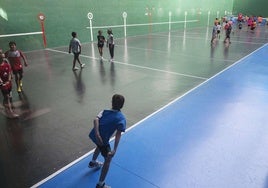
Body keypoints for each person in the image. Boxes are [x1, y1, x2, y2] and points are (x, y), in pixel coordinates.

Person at [88, 94, 126, 188]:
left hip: (94, 136)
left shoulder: (104, 111)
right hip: (103, 141)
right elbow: (118, 135)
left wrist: (97, 134)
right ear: (122, 105)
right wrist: (114, 150)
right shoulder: (121, 118)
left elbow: (96, 119)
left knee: (99, 146)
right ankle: (101, 184)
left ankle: (93, 162)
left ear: (112, 102)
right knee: (108, 159)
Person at [0, 49, 18, 118]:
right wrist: (2, 83)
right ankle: (10, 113)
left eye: (2, 53)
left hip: (8, 82)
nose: (3, 54)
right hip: (3, 84)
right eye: (0, 53)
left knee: (7, 97)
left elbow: (10, 71)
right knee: (7, 97)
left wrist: (9, 79)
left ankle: (5, 107)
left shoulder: (6, 61)